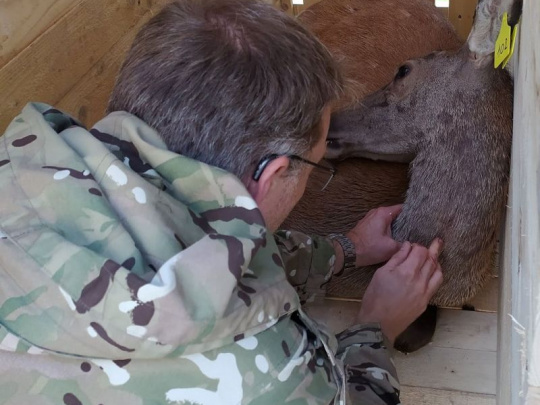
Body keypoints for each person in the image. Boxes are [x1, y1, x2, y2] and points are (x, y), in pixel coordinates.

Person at [0, 0, 443, 403]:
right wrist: (376, 326)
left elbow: (186, 233)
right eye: (314, 166)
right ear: (271, 175)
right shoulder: (268, 375)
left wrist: (345, 250)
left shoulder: (22, 164)